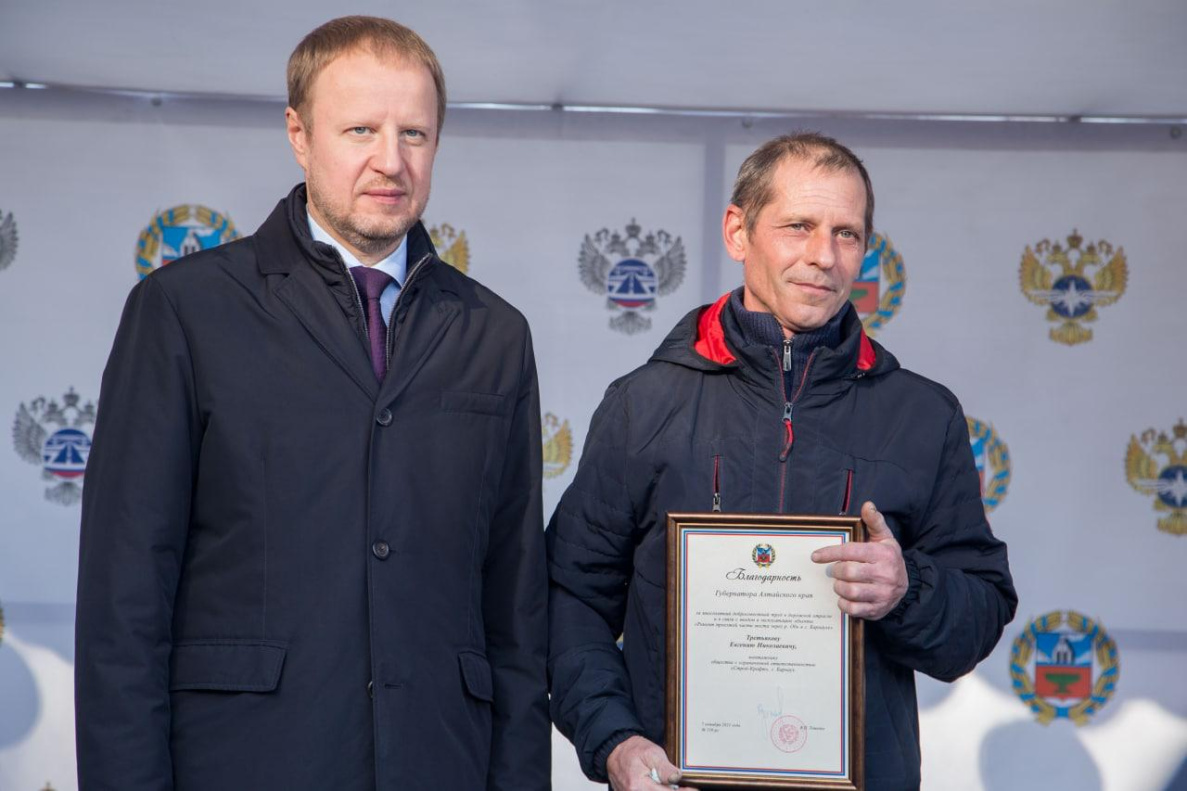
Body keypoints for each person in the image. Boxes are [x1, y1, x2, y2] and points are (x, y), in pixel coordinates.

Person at [75, 16, 549, 790]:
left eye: (415, 133)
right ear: (299, 135)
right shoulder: (186, 311)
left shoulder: (494, 334)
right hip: (245, 763)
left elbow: (515, 610)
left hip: (439, 763)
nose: (390, 160)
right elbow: (124, 598)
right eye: (360, 129)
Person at [547, 132, 1017, 791]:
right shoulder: (642, 404)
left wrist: (906, 588)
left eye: (846, 234)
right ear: (737, 232)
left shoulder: (921, 415)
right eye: (798, 226)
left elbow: (980, 612)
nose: (823, 256)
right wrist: (615, 740)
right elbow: (570, 599)